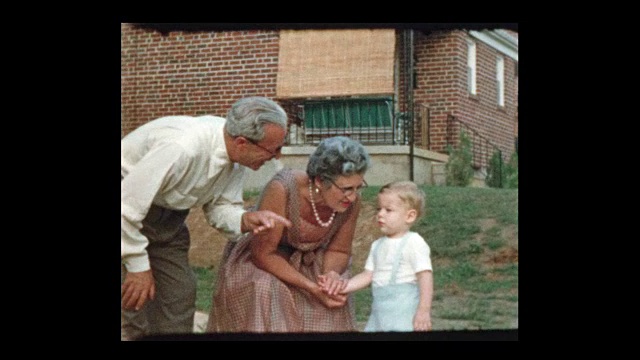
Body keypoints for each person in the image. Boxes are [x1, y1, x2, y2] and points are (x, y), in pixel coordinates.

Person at [121, 96, 293, 340]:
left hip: (167, 219)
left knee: (179, 294)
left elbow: (220, 207)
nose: (276, 157)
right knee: (133, 303)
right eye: (272, 149)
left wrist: (246, 219)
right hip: (126, 209)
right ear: (243, 142)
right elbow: (126, 208)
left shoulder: (236, 158)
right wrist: (138, 267)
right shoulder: (182, 147)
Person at [206, 136, 371, 333]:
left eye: (358, 187)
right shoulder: (283, 188)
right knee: (266, 290)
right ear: (320, 180)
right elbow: (263, 254)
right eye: (346, 189)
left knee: (332, 299)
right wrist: (311, 287)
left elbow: (339, 250)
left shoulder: (352, 202)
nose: (352, 196)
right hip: (265, 259)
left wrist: (330, 276)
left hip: (311, 260)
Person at [319, 181, 433, 332]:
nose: (380, 214)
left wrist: (423, 311)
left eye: (388, 210)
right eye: (379, 209)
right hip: (380, 316)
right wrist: (342, 287)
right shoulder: (377, 245)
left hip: (405, 315)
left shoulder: (414, 242)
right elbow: (368, 275)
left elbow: (425, 277)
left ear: (410, 216)